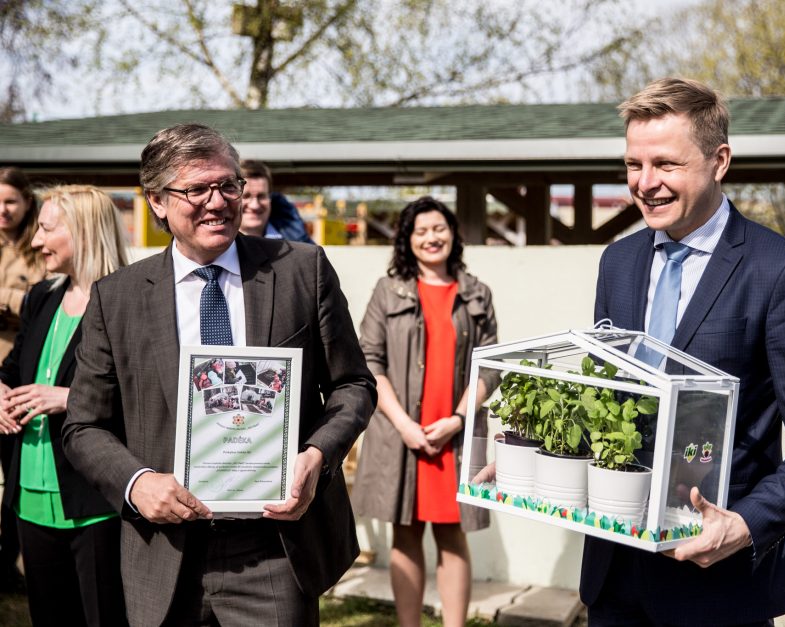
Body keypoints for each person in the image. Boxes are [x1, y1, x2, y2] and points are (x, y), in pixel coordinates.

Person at [62, 123, 376, 626]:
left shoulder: (302, 268)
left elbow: (353, 385)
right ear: (158, 201)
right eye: (197, 189)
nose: (219, 201)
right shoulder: (116, 297)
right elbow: (83, 426)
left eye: (228, 184)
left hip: (274, 549)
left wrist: (317, 456)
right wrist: (137, 483)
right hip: (163, 552)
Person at [582, 77, 785, 625]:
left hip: (720, 590)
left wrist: (746, 523)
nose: (645, 183)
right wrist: (526, 456)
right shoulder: (618, 262)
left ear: (719, 160)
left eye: (666, 165)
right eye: (634, 165)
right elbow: (610, 398)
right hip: (615, 579)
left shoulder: (780, 272)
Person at [352, 196, 499, 627]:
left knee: (452, 534)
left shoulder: (477, 294)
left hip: (453, 431)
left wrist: (456, 420)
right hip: (402, 434)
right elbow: (369, 361)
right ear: (407, 240)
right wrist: (405, 426)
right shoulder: (388, 290)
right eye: (421, 231)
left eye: (439, 228)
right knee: (406, 531)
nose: (432, 237)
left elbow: (491, 366)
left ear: (453, 234)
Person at [0, 184, 128, 626]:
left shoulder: (129, 302)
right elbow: (15, 367)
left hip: (96, 501)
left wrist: (70, 399)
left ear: (85, 232)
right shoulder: (41, 296)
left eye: (46, 228)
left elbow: (151, 394)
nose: (35, 240)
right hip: (29, 499)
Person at [0, 167, 47, 592]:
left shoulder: (38, 247)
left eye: (10, 201)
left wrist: (6, 299)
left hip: (22, 374)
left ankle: (11, 562)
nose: (2, 210)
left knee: (13, 473)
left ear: (26, 203)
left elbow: (42, 298)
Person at [239, 159, 314, 243]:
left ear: (270, 198)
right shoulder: (222, 247)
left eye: (261, 196)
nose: (255, 205)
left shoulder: (297, 240)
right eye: (246, 196)